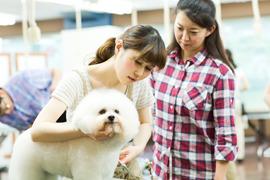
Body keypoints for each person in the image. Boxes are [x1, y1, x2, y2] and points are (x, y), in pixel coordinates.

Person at [30, 24, 167, 179]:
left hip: (123, 165)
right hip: (83, 168)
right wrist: (86, 130)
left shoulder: (138, 84)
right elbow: (38, 131)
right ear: (119, 47)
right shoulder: (76, 80)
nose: (140, 73)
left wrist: (138, 147)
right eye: (137, 62)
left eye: (148, 68)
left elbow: (144, 123)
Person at [150, 0, 238, 179]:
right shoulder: (160, 64)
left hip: (199, 173)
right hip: (161, 171)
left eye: (193, 32)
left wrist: (219, 177)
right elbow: (153, 115)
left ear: (210, 30)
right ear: (174, 19)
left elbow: (225, 133)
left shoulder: (219, 73)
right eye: (180, 28)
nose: (184, 37)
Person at [226, 48, 249, 162]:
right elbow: (246, 86)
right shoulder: (238, 70)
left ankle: (232, 155)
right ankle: (240, 155)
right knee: (239, 128)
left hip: (228, 102)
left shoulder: (225, 69)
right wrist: (237, 91)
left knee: (228, 128)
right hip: (237, 101)